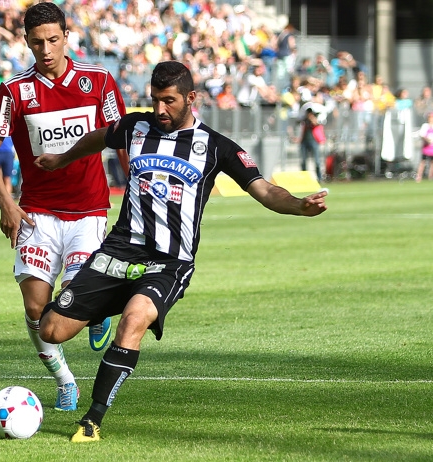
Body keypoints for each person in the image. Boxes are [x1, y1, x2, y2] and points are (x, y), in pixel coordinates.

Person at [33, 61, 328, 442]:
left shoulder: (217, 147)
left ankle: (93, 419)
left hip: (169, 264)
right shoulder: (134, 126)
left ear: (191, 98)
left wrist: (299, 206)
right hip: (119, 251)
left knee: (135, 320)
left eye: (169, 101)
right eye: (155, 100)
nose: (160, 110)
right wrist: (61, 158)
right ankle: (102, 311)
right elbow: (99, 137)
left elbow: (265, 189)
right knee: (51, 330)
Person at [0, 2, 127, 412]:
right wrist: (7, 204)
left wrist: (133, 192)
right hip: (37, 212)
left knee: (69, 302)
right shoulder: (13, 92)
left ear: (67, 37)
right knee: (33, 307)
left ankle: (100, 307)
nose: (46, 50)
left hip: (89, 211)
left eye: (53, 40)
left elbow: (122, 139)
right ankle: (64, 380)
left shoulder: (98, 82)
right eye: (37, 42)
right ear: (26, 42)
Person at [299, 108, 325, 179]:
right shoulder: (305, 121)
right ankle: (304, 178)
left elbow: (316, 124)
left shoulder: (314, 119)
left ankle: (319, 177)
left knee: (317, 161)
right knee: (303, 161)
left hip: (313, 141)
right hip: (305, 142)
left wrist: (312, 118)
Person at [416, 112, 433, 182]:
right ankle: (419, 177)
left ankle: (430, 176)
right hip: (427, 147)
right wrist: (427, 140)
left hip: (432, 148)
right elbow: (422, 135)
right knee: (423, 162)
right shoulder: (425, 126)